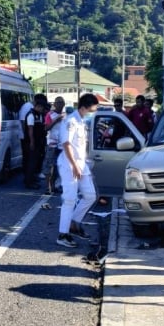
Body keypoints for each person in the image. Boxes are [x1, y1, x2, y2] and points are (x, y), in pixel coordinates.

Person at [56, 93, 99, 248]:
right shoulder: (70, 121)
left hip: (81, 164)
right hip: (69, 165)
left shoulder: (81, 121)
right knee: (69, 199)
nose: (92, 113)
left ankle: (74, 224)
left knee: (90, 195)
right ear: (83, 107)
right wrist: (74, 165)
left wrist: (81, 164)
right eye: (91, 110)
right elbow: (66, 144)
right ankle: (63, 234)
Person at [42, 97, 66, 194]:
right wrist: (56, 120)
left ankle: (54, 185)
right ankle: (48, 187)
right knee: (49, 166)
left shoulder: (66, 115)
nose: (60, 104)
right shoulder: (50, 114)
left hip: (62, 145)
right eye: (58, 102)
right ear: (54, 104)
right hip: (52, 144)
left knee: (58, 167)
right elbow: (46, 128)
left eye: (62, 102)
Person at [24, 100, 47, 189]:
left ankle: (32, 179)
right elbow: (30, 129)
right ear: (38, 106)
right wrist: (32, 142)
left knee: (35, 162)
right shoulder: (31, 115)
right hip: (31, 143)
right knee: (31, 162)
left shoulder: (39, 114)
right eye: (42, 107)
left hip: (38, 142)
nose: (43, 109)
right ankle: (29, 182)